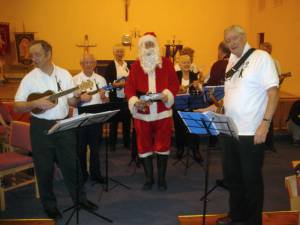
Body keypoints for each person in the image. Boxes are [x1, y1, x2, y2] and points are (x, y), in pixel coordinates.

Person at [13, 40, 98, 220]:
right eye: (31, 55)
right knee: (44, 168)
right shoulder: (30, 78)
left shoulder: (64, 74)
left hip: (63, 125)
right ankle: (49, 205)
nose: (33, 58)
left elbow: (70, 102)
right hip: (41, 128)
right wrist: (34, 103)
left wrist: (78, 97)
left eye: (37, 54)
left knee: (72, 165)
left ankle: (80, 199)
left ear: (49, 54)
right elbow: (17, 106)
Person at [215, 25, 279, 225]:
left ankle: (252, 221)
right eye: (228, 40)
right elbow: (230, 96)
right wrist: (211, 108)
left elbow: (273, 93)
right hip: (229, 130)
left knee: (251, 181)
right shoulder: (231, 61)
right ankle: (237, 215)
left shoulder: (261, 58)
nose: (231, 42)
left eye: (235, 38)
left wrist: (265, 124)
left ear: (244, 37)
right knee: (233, 178)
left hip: (251, 131)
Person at [125, 32, 179, 191]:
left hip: (162, 111)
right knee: (144, 145)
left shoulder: (167, 63)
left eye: (151, 44)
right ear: (141, 47)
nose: (148, 48)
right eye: (145, 45)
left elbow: (174, 84)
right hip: (142, 113)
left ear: (156, 46)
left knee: (163, 145)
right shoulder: (135, 66)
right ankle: (149, 178)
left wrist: (166, 94)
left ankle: (161, 178)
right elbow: (129, 88)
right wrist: (135, 101)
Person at [73, 53, 108, 183]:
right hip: (80, 120)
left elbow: (106, 101)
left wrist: (104, 97)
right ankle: (82, 175)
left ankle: (96, 174)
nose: (88, 65)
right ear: (81, 64)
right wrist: (79, 98)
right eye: (85, 63)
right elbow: (70, 101)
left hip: (96, 119)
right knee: (80, 149)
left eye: (90, 62)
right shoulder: (74, 80)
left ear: (95, 64)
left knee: (95, 149)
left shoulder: (101, 80)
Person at [173, 54, 203, 163]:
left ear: (191, 63)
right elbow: (170, 90)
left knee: (194, 128)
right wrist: (177, 89)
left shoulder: (195, 75)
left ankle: (195, 150)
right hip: (178, 107)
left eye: (188, 62)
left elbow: (199, 93)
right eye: (184, 62)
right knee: (179, 129)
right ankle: (180, 149)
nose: (186, 64)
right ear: (179, 64)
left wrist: (197, 87)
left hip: (192, 106)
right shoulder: (175, 75)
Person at [105, 44, 131, 151]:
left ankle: (127, 143)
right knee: (114, 122)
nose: (120, 54)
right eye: (118, 52)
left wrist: (127, 84)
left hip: (126, 98)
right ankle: (112, 144)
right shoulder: (111, 66)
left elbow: (132, 79)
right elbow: (108, 84)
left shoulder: (127, 65)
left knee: (127, 121)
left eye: (121, 52)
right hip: (114, 98)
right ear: (114, 53)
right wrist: (122, 84)